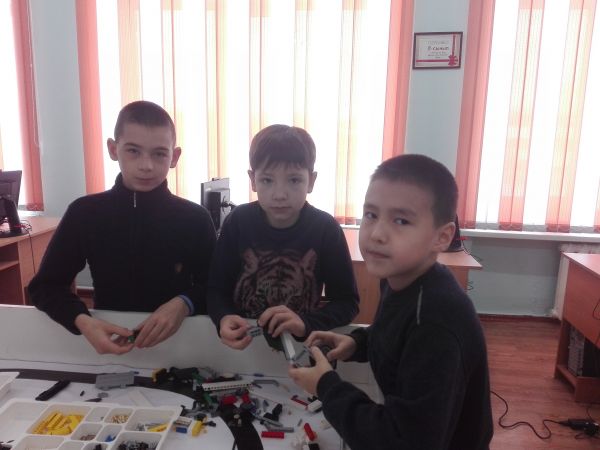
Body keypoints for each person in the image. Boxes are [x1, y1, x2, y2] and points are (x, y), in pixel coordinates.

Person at [288, 154, 493, 449]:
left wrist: (326, 386)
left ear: (442, 237)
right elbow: (395, 332)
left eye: (401, 220)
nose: (377, 234)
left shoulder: (436, 321)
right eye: (371, 214)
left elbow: (402, 441)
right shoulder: (399, 278)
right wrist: (358, 343)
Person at [29, 100, 216, 355]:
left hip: (181, 346)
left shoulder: (195, 218)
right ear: (113, 149)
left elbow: (216, 288)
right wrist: (83, 321)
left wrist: (184, 303)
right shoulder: (84, 213)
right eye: (133, 151)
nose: (146, 165)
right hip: (109, 344)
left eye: (159, 153)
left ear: (174, 157)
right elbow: (45, 286)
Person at [207, 124, 359, 350]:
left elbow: (347, 302)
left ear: (311, 181)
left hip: (301, 348)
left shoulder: (326, 229)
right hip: (243, 349)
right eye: (267, 180)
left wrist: (306, 323)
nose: (279, 195)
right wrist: (223, 317)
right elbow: (216, 290)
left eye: (294, 180)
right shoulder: (237, 222)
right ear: (253, 180)